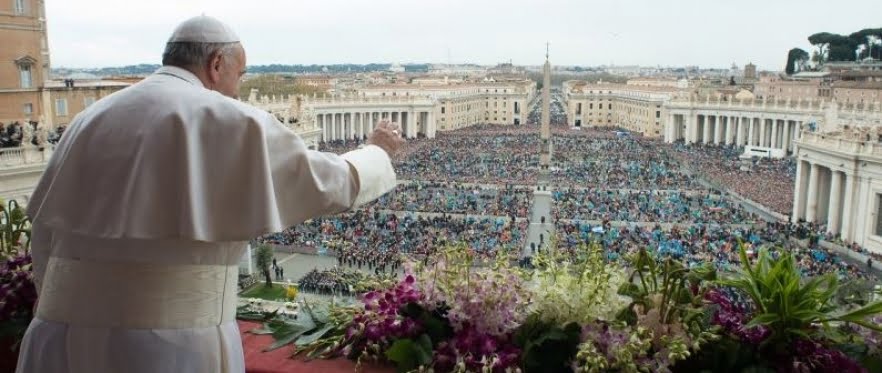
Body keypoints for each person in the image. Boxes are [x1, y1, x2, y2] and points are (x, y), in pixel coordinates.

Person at [16, 15, 404, 373]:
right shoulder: (226, 118)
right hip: (164, 347)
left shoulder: (88, 119)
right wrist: (375, 152)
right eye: (241, 73)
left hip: (55, 340)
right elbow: (324, 181)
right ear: (217, 64)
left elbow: (45, 233)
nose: (239, 87)